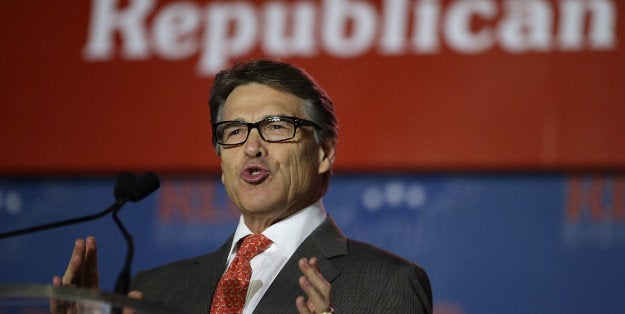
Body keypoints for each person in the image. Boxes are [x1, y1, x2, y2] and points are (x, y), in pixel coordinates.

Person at [52, 59, 433, 313]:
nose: (252, 146)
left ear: (324, 153)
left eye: (276, 126)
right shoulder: (154, 291)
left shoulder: (386, 284)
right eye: (234, 131)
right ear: (221, 160)